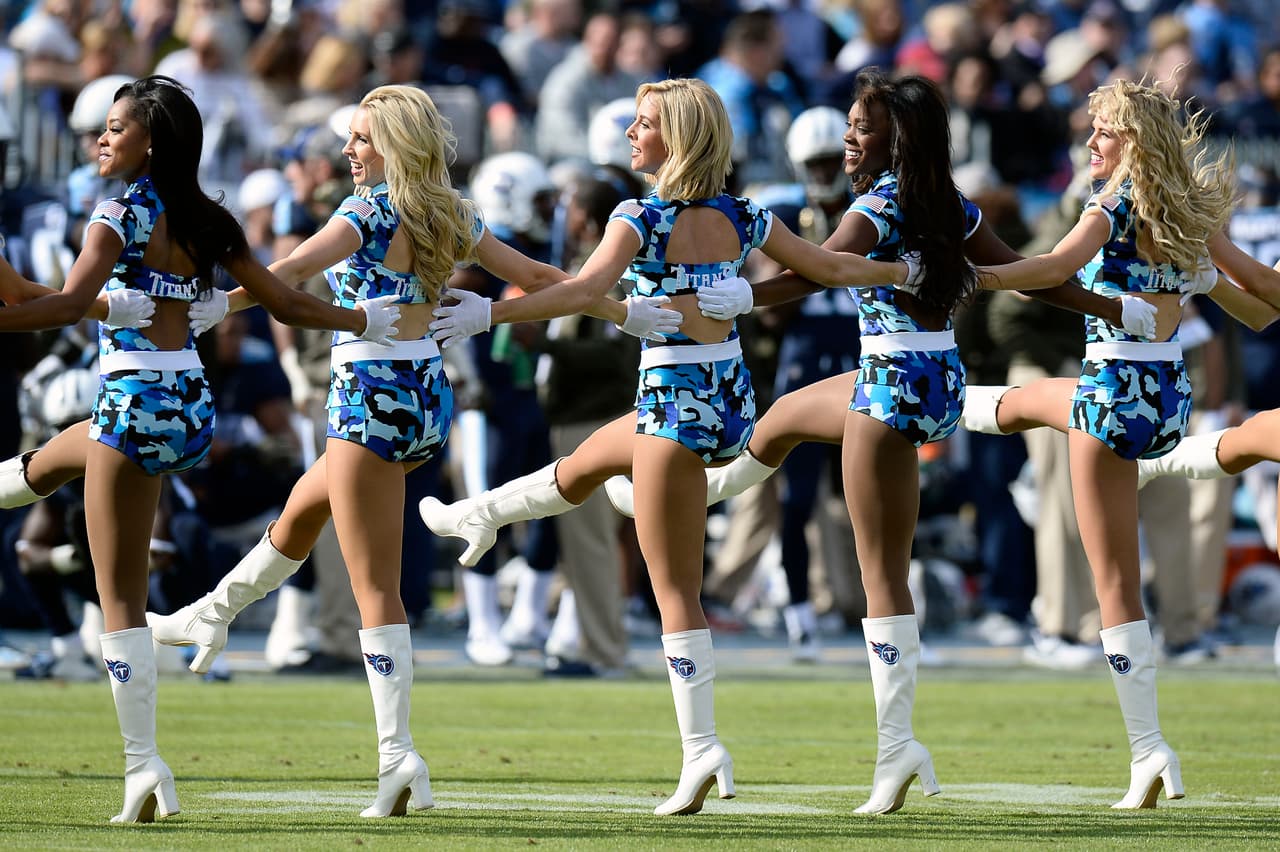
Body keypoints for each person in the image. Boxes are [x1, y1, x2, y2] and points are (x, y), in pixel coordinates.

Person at [599, 70, 1160, 813]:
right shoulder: (949, 204)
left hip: (888, 382)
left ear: (895, 137)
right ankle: (898, 746)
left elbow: (818, 271)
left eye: (860, 127)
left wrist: (747, 296)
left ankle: (896, 748)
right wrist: (1112, 307)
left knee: (879, 580)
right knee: (807, 441)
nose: (847, 138)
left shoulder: (877, 204)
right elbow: (1024, 277)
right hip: (942, 386)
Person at [139, 85, 674, 813]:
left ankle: (398, 757)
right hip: (426, 397)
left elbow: (285, 277)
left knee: (374, 589)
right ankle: (214, 610)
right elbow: (549, 281)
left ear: (393, 145)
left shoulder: (363, 212)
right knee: (301, 512)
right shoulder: (451, 214)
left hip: (366, 394)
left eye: (361, 139)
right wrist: (623, 311)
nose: (347, 152)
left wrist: (214, 305)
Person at [418, 77, 914, 817]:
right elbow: (829, 270)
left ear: (675, 139)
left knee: (674, 591)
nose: (629, 135)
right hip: (728, 401)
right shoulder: (747, 214)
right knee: (585, 466)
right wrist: (905, 272)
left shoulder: (636, 216)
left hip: (671, 403)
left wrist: (491, 311)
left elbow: (583, 288)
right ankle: (482, 514)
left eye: (644, 124)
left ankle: (701, 749)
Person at [0, 76, 399, 824]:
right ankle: (18, 480)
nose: (101, 140)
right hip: (187, 405)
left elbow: (49, 306)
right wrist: (364, 320)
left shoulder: (116, 212)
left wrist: (63, 305)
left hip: (131, 400)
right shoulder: (209, 217)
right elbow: (284, 301)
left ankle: (143, 769)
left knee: (119, 603)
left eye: (116, 128)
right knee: (53, 462)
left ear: (152, 141)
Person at [959, 77, 1236, 808]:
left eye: (1102, 133)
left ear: (1132, 140)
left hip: (1109, 394)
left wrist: (972, 275)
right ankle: (984, 405)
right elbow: (1259, 306)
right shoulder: (1187, 208)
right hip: (1169, 398)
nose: (1090, 143)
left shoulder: (1109, 203)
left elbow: (1050, 269)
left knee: (1113, 586)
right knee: (1040, 407)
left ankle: (1149, 751)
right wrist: (1208, 285)